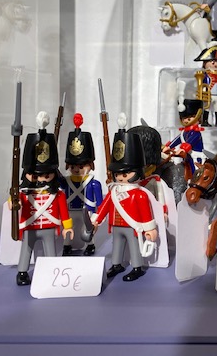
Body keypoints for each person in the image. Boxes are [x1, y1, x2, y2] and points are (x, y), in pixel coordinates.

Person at [92, 115, 158, 282]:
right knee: (116, 245)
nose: (120, 177)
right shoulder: (113, 191)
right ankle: (116, 264)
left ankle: (137, 266)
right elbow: (105, 206)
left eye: (126, 173)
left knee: (135, 246)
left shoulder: (140, 194)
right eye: (118, 173)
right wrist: (96, 220)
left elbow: (146, 213)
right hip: (116, 225)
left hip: (133, 226)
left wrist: (150, 229)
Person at [12, 111, 73, 286]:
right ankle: (22, 272)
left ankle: (52, 272)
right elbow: (15, 203)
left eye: (47, 175)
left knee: (50, 251)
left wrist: (67, 227)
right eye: (37, 175)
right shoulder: (24, 192)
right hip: (30, 226)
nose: (42, 179)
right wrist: (13, 202)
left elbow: (64, 212)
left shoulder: (57, 194)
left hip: (48, 227)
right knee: (26, 250)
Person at [61, 113, 103, 256]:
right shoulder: (66, 181)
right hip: (70, 210)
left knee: (88, 229)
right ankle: (66, 246)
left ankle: (90, 245)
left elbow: (100, 203)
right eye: (73, 166)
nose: (77, 169)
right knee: (68, 229)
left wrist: (96, 218)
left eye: (81, 166)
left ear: (90, 165)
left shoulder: (94, 184)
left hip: (87, 211)